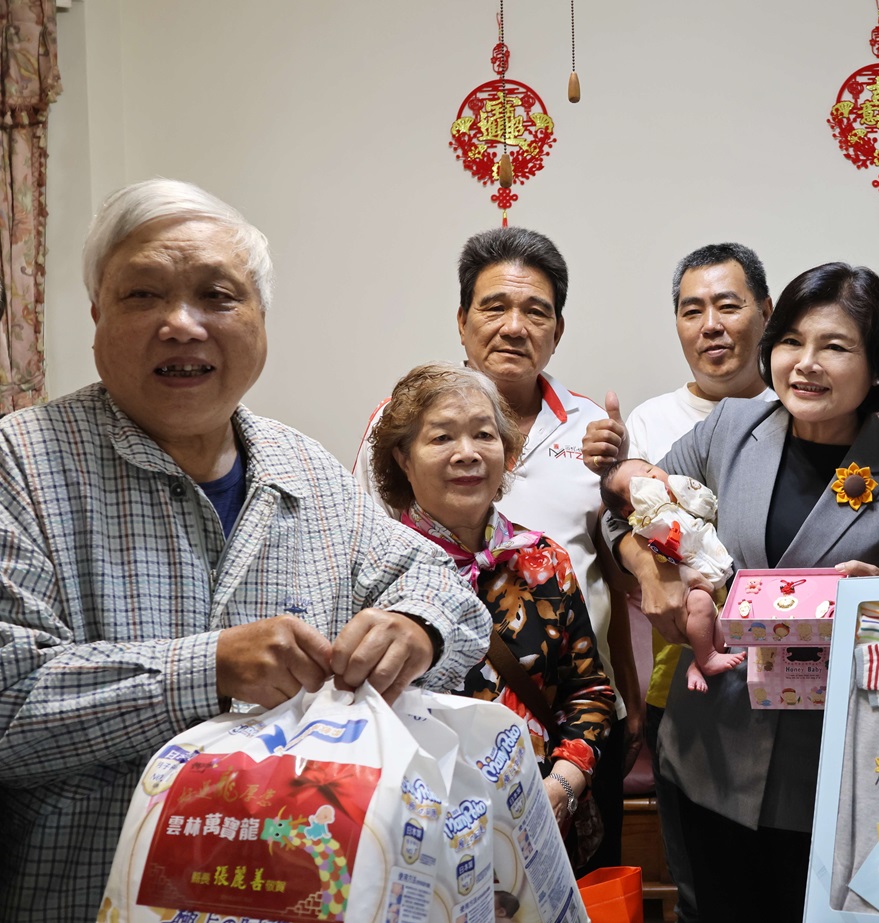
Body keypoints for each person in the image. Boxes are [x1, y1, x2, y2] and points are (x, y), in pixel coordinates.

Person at [0, 180, 490, 921]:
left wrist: (417, 627)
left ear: (260, 319)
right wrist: (209, 669)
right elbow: (10, 701)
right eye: (143, 294)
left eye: (217, 296)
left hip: (293, 897)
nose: (181, 323)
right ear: (97, 315)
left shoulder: (306, 469)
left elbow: (437, 580)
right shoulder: (22, 464)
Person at [613, 262, 879, 920]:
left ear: (878, 366)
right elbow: (627, 514)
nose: (805, 363)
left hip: (831, 771)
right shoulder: (730, 429)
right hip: (708, 753)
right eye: (791, 340)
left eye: (834, 346)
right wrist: (652, 571)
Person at [354, 227, 635, 869]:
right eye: (494, 307)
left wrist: (568, 776)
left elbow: (610, 588)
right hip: (416, 804)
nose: (513, 326)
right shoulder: (380, 547)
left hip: (557, 763)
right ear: (461, 320)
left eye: (535, 310)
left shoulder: (592, 436)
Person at [582, 242, 776, 922]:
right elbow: (619, 529)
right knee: (704, 884)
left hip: (791, 675)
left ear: (766, 312)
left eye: (728, 305)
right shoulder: (651, 422)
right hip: (687, 681)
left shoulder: (805, 403)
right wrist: (649, 567)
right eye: (692, 310)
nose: (710, 325)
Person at [368, 362, 615, 857]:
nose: (468, 453)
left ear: (507, 450)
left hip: (534, 828)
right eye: (442, 438)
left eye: (484, 435)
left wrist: (562, 787)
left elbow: (589, 690)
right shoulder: (373, 570)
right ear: (403, 457)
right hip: (414, 840)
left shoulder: (543, 560)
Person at [600, 457, 742, 691]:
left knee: (724, 620)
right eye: (641, 482)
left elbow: (706, 504)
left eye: (650, 469)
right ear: (630, 510)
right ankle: (705, 658)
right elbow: (610, 520)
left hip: (721, 575)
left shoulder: (684, 500)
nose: (653, 477)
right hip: (693, 588)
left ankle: (699, 663)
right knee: (702, 605)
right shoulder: (647, 521)